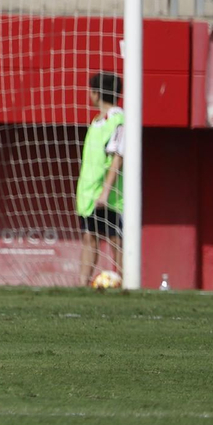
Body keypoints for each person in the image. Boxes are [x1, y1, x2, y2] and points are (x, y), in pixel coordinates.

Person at [76, 71, 125, 287]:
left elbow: (117, 159)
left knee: (115, 239)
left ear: (96, 94)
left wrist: (105, 191)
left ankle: (126, 283)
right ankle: (83, 284)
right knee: (89, 237)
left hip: (110, 195)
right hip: (88, 193)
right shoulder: (97, 122)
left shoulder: (118, 121)